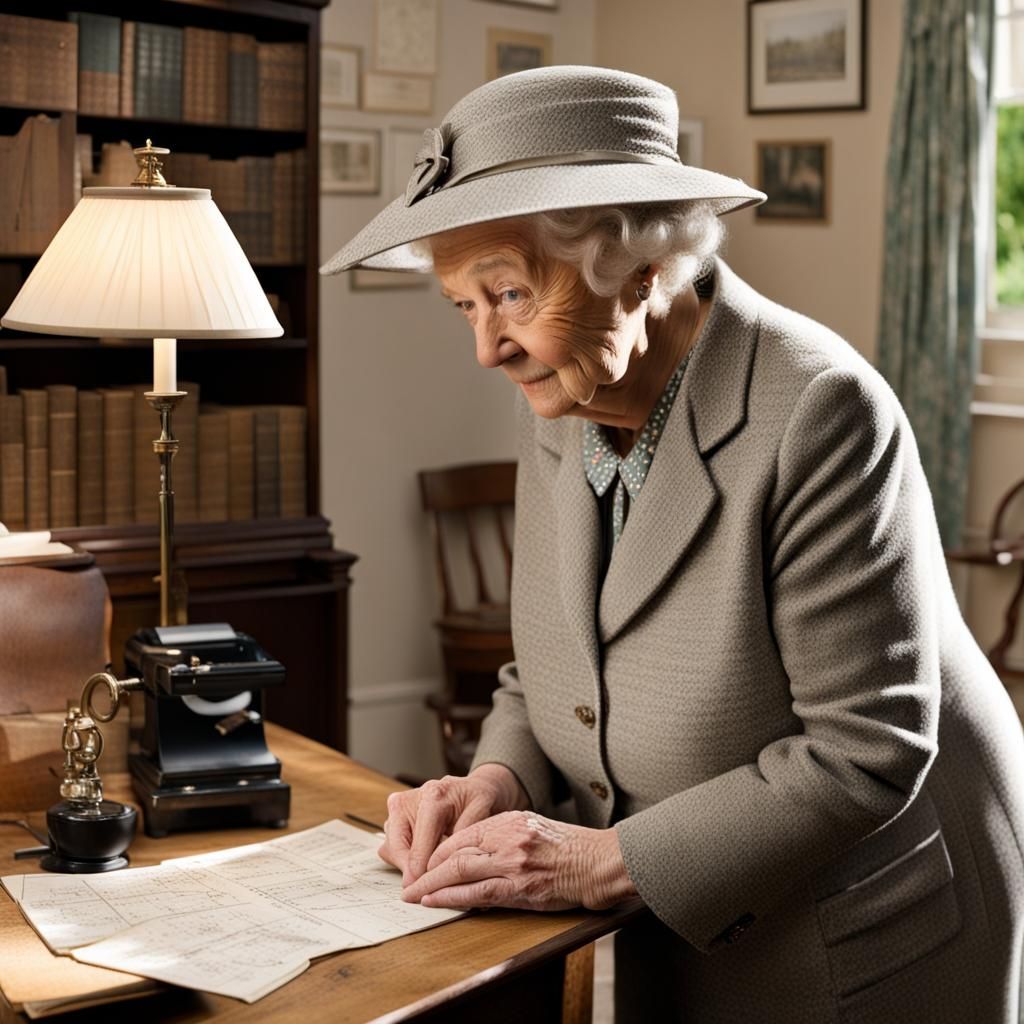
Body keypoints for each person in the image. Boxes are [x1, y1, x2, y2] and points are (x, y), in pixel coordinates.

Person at [321, 66, 1024, 1023]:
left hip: (860, 927)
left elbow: (866, 749)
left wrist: (595, 859)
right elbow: (549, 670)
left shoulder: (819, 410)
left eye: (512, 294)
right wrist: (495, 780)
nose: (488, 347)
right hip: (686, 917)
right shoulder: (567, 397)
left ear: (642, 268)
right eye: (465, 305)